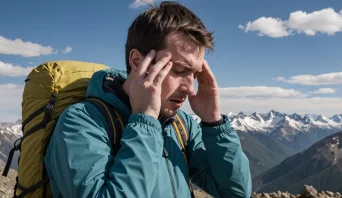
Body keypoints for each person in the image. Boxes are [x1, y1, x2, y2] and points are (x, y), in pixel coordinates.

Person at [44, 1, 252, 198]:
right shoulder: (82, 123)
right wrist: (144, 120)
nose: (190, 89)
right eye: (179, 70)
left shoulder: (182, 124)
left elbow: (236, 193)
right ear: (137, 60)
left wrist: (214, 123)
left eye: (195, 75)